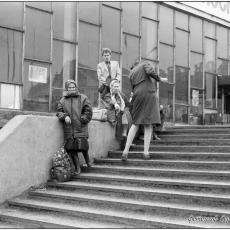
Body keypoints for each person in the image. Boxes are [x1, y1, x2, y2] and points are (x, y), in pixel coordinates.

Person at [121, 61, 168, 161]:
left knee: (135, 123)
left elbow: (133, 89)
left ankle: (125, 152)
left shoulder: (130, 74)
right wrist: (160, 79)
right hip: (149, 93)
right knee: (148, 125)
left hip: (137, 95)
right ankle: (146, 153)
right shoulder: (144, 64)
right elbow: (150, 71)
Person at [56, 80, 93, 176]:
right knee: (72, 149)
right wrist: (65, 116)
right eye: (70, 88)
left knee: (84, 146)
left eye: (73, 87)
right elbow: (59, 112)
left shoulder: (83, 98)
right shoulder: (62, 100)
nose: (72, 89)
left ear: (76, 87)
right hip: (69, 129)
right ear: (67, 89)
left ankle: (88, 161)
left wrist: (83, 119)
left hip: (80, 127)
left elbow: (88, 111)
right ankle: (77, 168)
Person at [104, 80, 132, 149]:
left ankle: (124, 134)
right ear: (111, 87)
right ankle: (124, 135)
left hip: (123, 114)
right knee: (125, 115)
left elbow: (128, 105)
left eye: (118, 86)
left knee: (126, 113)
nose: (116, 88)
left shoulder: (122, 95)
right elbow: (108, 102)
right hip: (114, 114)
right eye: (115, 86)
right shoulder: (108, 95)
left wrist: (125, 109)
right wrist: (115, 103)